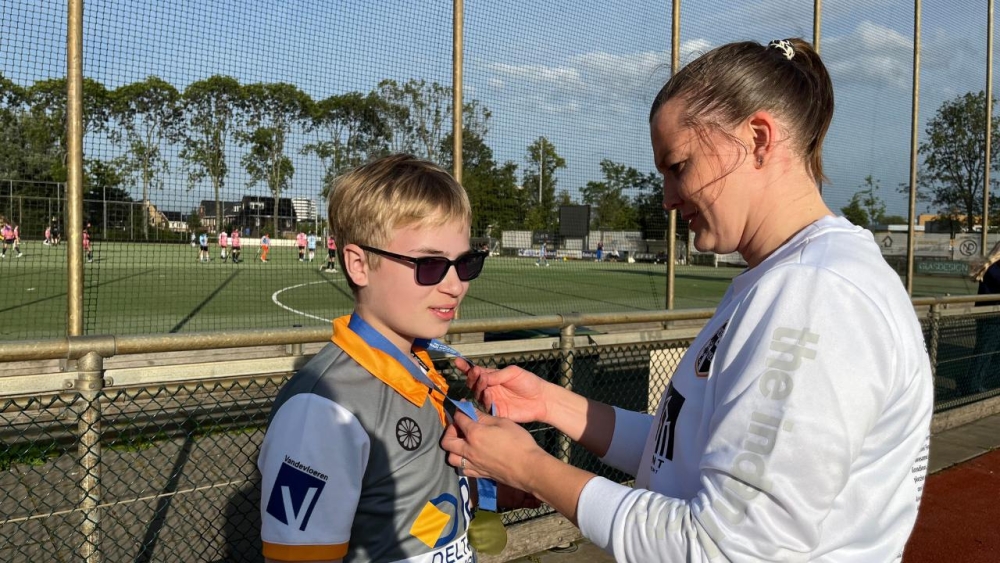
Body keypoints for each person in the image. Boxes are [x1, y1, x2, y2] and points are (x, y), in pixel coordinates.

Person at [441, 38, 934, 562]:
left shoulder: (816, 293)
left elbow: (725, 549)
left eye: (678, 165)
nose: (668, 199)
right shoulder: (783, 279)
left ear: (758, 138)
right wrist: (551, 403)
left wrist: (531, 470)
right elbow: (680, 451)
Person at [258, 154, 511, 562]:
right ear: (359, 264)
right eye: (429, 265)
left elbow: (402, 525)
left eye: (464, 263)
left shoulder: (420, 364)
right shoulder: (321, 410)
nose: (455, 286)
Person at [964, 240, 1000, 395]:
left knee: (990, 353)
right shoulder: (992, 268)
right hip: (990, 317)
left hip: (993, 316)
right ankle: (972, 386)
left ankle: (978, 382)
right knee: (984, 352)